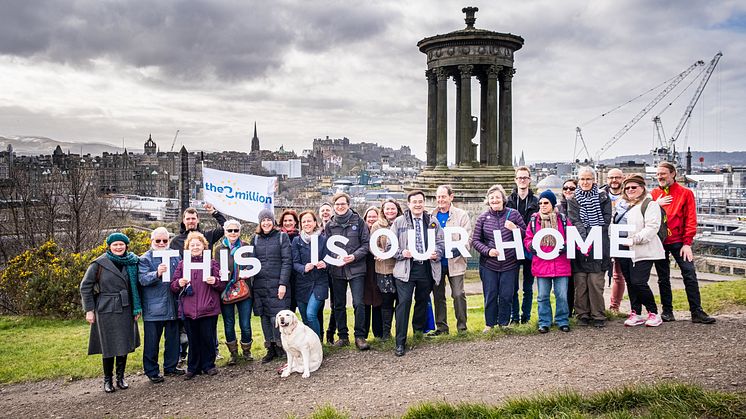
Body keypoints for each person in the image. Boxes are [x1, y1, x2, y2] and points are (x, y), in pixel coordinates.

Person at [651, 162, 716, 324]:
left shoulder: (685, 193)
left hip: (679, 242)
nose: (660, 177)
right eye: (658, 174)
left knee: (689, 274)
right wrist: (654, 204)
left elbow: (691, 219)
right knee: (662, 277)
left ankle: (696, 311)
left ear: (673, 174)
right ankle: (667, 311)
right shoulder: (653, 194)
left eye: (663, 173)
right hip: (660, 241)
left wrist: (687, 243)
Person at [80, 232, 142, 393]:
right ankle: (108, 380)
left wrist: (137, 307)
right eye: (115, 245)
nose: (118, 247)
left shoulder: (132, 261)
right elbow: (85, 286)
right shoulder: (99, 263)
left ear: (126, 246)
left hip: (126, 307)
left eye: (121, 244)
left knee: (123, 343)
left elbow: (137, 286)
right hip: (105, 308)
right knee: (108, 346)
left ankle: (121, 378)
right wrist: (89, 310)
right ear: (109, 246)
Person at [170, 204, 227, 362]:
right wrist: (179, 281)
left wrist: (214, 212)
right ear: (183, 221)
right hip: (187, 289)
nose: (190, 221)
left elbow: (225, 227)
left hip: (205, 289)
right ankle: (185, 355)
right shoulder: (175, 241)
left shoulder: (206, 236)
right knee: (187, 327)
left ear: (198, 220)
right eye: (188, 219)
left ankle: (212, 353)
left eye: (193, 218)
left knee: (208, 326)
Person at [391, 190, 444, 356]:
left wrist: (437, 252)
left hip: (426, 268)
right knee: (404, 303)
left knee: (422, 301)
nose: (418, 204)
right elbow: (390, 247)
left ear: (424, 203)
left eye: (420, 201)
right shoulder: (399, 222)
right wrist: (402, 253)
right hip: (406, 269)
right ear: (409, 204)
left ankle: (418, 333)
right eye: (414, 202)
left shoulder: (432, 221)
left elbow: (441, 242)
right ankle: (400, 342)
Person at [472, 184, 526, 332]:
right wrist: (488, 251)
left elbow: (526, 233)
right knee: (490, 295)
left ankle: (504, 323)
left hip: (509, 264)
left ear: (503, 199)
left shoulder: (513, 214)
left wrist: (515, 229)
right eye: (492, 198)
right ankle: (489, 324)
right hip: (489, 264)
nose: (495, 200)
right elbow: (475, 240)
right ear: (488, 201)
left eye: (497, 197)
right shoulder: (483, 218)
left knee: (507, 295)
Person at [324, 192, 371, 350]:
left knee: (358, 302)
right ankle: (343, 336)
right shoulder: (329, 225)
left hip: (356, 268)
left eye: (343, 204)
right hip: (337, 270)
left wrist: (353, 256)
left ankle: (360, 336)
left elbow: (366, 244)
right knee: (339, 304)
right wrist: (334, 258)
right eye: (337, 204)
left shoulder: (359, 221)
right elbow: (326, 248)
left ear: (348, 205)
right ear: (334, 206)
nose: (340, 206)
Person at [567, 166, 612, 327]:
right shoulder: (572, 200)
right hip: (580, 245)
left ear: (594, 180)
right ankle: (582, 314)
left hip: (599, 244)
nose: (585, 182)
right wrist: (585, 239)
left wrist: (592, 236)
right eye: (582, 179)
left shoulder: (603, 198)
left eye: (588, 179)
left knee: (595, 282)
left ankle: (598, 315)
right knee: (581, 282)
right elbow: (574, 220)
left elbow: (606, 220)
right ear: (578, 180)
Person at [138, 227, 184, 383]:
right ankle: (151, 371)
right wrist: (156, 273)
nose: (162, 243)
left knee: (173, 339)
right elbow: (142, 279)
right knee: (152, 342)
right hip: (154, 308)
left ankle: (171, 367)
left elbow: (180, 275)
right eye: (158, 240)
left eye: (165, 240)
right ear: (152, 241)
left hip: (172, 304)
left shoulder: (174, 256)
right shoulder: (145, 258)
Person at [616, 175, 663, 327]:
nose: (630, 190)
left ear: (642, 188)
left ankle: (653, 312)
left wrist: (635, 239)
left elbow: (652, 227)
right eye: (627, 188)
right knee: (630, 281)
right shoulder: (623, 205)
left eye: (634, 187)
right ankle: (635, 312)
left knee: (639, 281)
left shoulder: (650, 204)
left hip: (643, 249)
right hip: (624, 247)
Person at [524, 190, 572, 333]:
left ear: (552, 204)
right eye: (540, 203)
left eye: (546, 203)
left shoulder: (562, 220)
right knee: (543, 296)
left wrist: (566, 246)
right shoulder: (534, 221)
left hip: (560, 263)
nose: (543, 205)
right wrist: (531, 245)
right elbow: (527, 238)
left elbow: (572, 236)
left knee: (562, 295)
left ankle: (562, 320)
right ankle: (544, 321)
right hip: (542, 264)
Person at [251, 209, 293, 362]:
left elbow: (287, 261)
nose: (266, 223)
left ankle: (281, 346)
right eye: (263, 220)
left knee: (277, 316)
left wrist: (283, 284)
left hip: (277, 283)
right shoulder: (254, 239)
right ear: (260, 223)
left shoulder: (282, 237)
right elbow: (251, 262)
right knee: (264, 316)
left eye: (269, 220)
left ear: (273, 221)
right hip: (260, 285)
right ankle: (270, 348)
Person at [431, 185, 471, 335]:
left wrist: (459, 249)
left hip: (456, 261)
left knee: (458, 294)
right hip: (437, 263)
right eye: (438, 197)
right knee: (438, 295)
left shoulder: (461, 215)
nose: (440, 200)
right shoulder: (430, 215)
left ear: (451, 197)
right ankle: (441, 327)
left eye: (443, 196)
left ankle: (462, 327)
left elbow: (467, 237)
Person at [213, 220, 253, 365]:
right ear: (225, 232)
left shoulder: (246, 247)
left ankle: (247, 350)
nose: (233, 233)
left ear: (240, 232)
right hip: (226, 290)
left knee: (245, 323)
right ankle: (233, 353)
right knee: (229, 324)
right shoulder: (219, 249)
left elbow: (251, 265)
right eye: (230, 230)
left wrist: (247, 272)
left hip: (244, 290)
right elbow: (217, 269)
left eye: (236, 230)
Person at [506, 166, 539, 324]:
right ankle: (514, 317)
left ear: (529, 180)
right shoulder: (508, 201)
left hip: (530, 247)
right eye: (519, 178)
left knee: (528, 285)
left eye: (525, 178)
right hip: (512, 247)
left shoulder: (537, 201)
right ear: (515, 180)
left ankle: (526, 317)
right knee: (513, 286)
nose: (522, 180)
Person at [291, 210, 329, 339]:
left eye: (309, 221)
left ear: (315, 223)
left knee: (311, 314)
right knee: (305, 319)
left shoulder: (323, 240)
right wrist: (303, 268)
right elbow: (294, 262)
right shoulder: (296, 241)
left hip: (319, 282)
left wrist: (325, 263)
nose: (307, 223)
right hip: (302, 283)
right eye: (304, 222)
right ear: (301, 224)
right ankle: (308, 345)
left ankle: (317, 344)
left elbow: (329, 258)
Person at [370, 199, 403, 341]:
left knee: (401, 301)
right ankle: (386, 333)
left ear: (398, 210)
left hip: (401, 266)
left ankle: (400, 332)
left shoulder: (403, 224)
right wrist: (377, 253)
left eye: (393, 209)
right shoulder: (377, 226)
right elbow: (372, 244)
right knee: (386, 302)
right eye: (387, 209)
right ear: (382, 211)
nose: (390, 211)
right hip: (384, 269)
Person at [603, 168, 626, 313]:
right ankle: (598, 306)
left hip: (622, 236)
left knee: (619, 274)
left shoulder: (629, 194)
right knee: (599, 273)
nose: (614, 180)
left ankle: (614, 307)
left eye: (617, 177)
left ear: (622, 178)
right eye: (611, 177)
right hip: (603, 236)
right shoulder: (600, 194)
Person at [362, 206, 384, 339]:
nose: (371, 219)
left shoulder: (381, 231)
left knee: (378, 301)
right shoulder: (361, 231)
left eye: (374, 216)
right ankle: (363, 333)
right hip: (364, 270)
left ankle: (379, 333)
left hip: (378, 268)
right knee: (364, 301)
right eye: (369, 217)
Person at [557, 178, 577, 314]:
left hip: (580, 246)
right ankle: (568, 312)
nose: (568, 190)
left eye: (572, 188)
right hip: (564, 249)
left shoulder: (582, 205)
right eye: (565, 188)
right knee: (568, 283)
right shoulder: (557, 209)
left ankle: (581, 310)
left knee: (580, 281)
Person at [318, 202, 335, 344]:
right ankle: (320, 335)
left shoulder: (336, 227)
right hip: (320, 271)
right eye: (322, 210)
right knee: (319, 304)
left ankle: (331, 332)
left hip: (334, 269)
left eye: (327, 210)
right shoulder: (315, 230)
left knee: (336, 304)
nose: (325, 213)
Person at [279, 209, 300, 313]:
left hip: (297, 276)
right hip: (283, 276)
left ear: (295, 222)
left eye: (290, 220)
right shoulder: (278, 237)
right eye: (285, 220)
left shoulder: (300, 236)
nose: (287, 223)